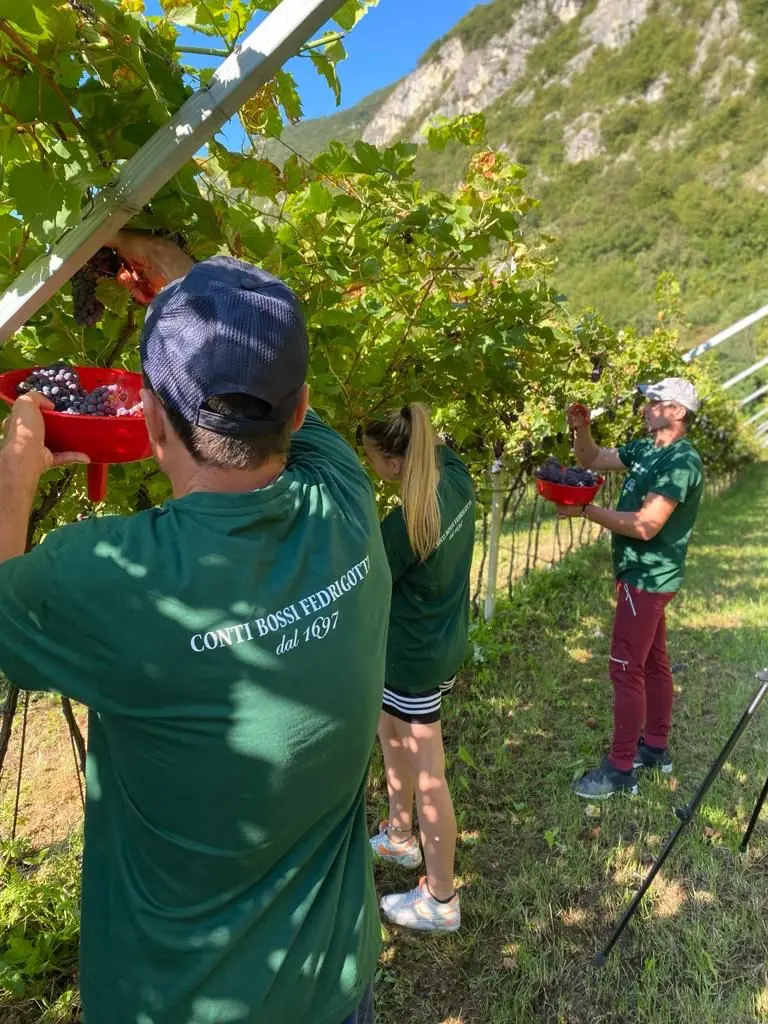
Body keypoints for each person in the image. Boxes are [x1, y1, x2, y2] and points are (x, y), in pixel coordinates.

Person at [0, 233, 391, 1024]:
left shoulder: (109, 578)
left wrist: (15, 476)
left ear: (143, 416)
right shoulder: (344, 498)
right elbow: (254, 355)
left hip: (180, 1004)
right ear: (303, 408)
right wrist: (172, 282)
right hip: (335, 987)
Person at [557, 377, 704, 799]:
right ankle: (655, 748)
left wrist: (584, 509)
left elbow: (645, 525)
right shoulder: (646, 449)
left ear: (677, 411)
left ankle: (621, 769)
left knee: (625, 668)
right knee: (654, 662)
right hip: (642, 575)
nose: (644, 407)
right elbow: (592, 457)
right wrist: (580, 428)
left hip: (648, 577)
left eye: (653, 401)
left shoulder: (681, 461)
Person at [362, 405, 475, 932]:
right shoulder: (455, 474)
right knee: (391, 735)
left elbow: (364, 580)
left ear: (390, 459)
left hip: (413, 660)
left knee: (430, 774)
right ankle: (400, 835)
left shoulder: (407, 522)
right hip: (439, 645)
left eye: (371, 456)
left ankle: (441, 899)